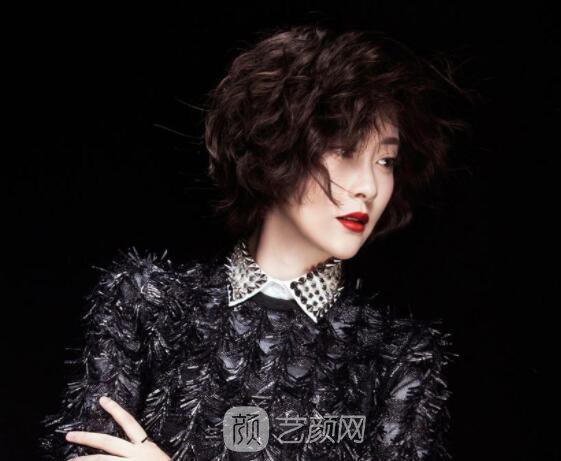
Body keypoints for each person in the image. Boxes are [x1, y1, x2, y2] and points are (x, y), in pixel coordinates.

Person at [39, 24, 467, 460]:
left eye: (386, 160)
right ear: (274, 146)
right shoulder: (147, 305)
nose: (369, 187)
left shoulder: (399, 356)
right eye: (344, 149)